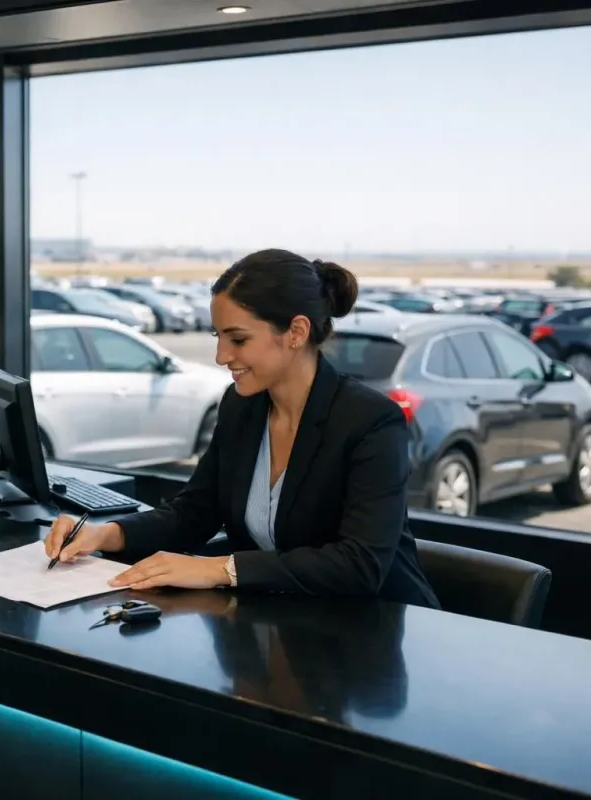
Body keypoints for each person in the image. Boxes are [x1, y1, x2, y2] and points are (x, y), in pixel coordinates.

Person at [45, 248, 440, 608]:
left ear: (296, 333)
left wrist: (218, 569)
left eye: (238, 339)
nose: (220, 356)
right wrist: (105, 534)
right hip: (278, 625)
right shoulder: (242, 405)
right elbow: (195, 513)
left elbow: (360, 564)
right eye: (219, 337)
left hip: (371, 634)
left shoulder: (370, 420)